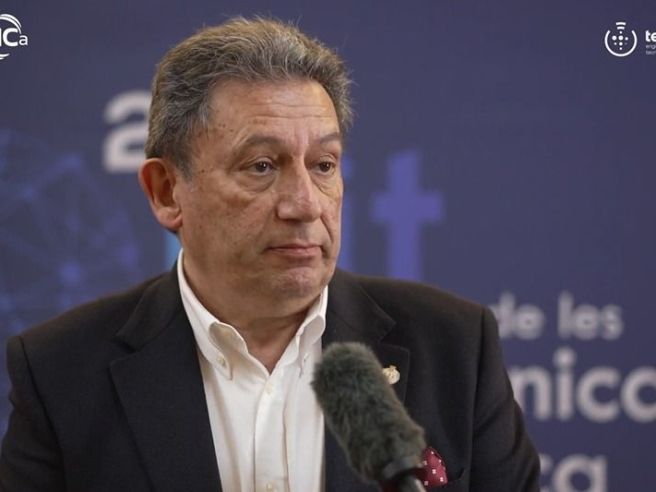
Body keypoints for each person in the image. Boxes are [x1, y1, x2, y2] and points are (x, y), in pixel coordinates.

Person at [0, 17, 539, 492]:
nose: (305, 204)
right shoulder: (61, 372)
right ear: (166, 192)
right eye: (261, 166)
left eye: (324, 165)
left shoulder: (455, 348)